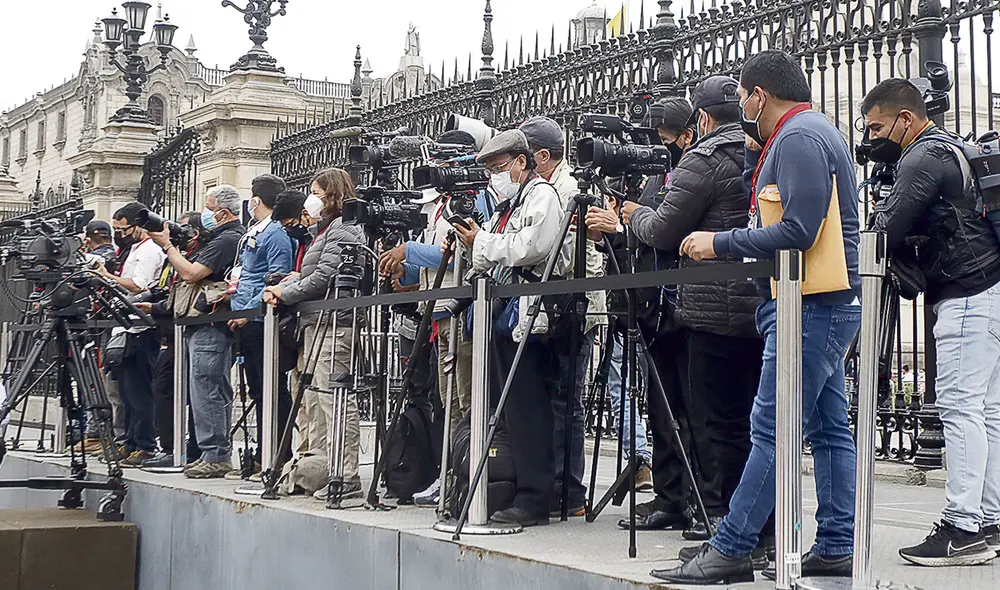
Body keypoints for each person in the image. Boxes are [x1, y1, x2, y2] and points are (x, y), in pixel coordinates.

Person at [653, 50, 862, 584]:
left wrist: (717, 242)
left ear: (758, 96)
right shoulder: (802, 135)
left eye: (743, 95)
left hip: (807, 304)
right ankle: (836, 542)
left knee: (771, 427)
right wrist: (753, 157)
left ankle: (734, 545)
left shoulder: (797, 138)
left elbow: (800, 229)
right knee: (829, 428)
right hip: (820, 302)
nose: (740, 104)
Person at [621, 76, 766, 544]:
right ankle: (751, 523)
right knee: (748, 420)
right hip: (757, 306)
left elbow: (663, 230)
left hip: (710, 310)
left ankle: (721, 519)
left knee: (714, 422)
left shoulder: (702, 160)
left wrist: (630, 216)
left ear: (701, 119)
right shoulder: (757, 151)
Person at [862, 78, 1000, 566]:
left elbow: (886, 229)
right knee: (986, 409)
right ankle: (988, 520)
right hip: (990, 287)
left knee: (962, 409)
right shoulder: (954, 147)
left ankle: (962, 527)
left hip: (966, 292)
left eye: (876, 125)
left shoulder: (921, 157)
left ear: (906, 118)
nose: (871, 135)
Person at [586, 97, 702, 533]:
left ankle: (690, 499)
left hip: (681, 307)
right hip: (652, 309)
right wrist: (610, 238)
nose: (653, 147)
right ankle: (670, 497)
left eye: (661, 138)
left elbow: (668, 235)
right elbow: (640, 246)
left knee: (684, 412)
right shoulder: (655, 179)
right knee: (659, 408)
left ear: (684, 135)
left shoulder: (693, 173)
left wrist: (623, 227)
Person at [453, 129, 572, 527]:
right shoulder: (512, 202)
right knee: (512, 409)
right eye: (490, 170)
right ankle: (518, 487)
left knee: (529, 409)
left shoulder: (542, 196)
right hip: (507, 316)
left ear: (523, 162)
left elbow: (531, 247)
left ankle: (535, 497)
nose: (495, 176)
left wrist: (482, 243)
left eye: (500, 167)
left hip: (530, 319)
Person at [379, 129, 485, 506]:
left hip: (462, 312)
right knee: (447, 400)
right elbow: (431, 263)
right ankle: (450, 471)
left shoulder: (476, 198)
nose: (435, 166)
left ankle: (465, 475)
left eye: (442, 158)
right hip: (437, 314)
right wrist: (400, 268)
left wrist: (409, 249)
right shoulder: (439, 204)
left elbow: (462, 256)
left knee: (465, 400)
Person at [519, 115, 613, 515]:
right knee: (551, 398)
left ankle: (569, 490)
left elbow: (590, 259)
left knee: (567, 403)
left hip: (575, 310)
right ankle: (553, 483)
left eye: (525, 156)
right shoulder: (544, 189)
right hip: (552, 307)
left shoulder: (573, 190)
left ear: (543, 156)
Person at [263, 168, 365, 501]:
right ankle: (325, 470)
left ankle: (346, 474)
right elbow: (315, 274)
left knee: (334, 399)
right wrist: (289, 282)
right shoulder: (327, 229)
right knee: (318, 400)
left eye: (317, 192)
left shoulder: (343, 228)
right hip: (319, 320)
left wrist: (284, 294)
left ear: (332, 194)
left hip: (335, 323)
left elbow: (325, 276)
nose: (312, 199)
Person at [150, 185, 246, 479]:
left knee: (207, 388)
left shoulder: (228, 238)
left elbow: (192, 273)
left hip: (211, 323)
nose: (206, 213)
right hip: (203, 324)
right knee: (206, 388)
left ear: (223, 212)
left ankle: (215, 454)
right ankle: (210, 451)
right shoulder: (219, 238)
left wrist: (168, 246)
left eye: (209, 207)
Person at [228, 174, 295, 478]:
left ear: (256, 199)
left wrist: (251, 309)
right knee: (257, 389)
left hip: (260, 318)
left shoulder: (276, 233)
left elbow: (277, 276)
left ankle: (277, 453)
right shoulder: (254, 230)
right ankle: (261, 453)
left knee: (272, 390)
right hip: (243, 317)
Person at [137, 211, 204, 469]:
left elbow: (185, 295)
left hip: (187, 330)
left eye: (182, 230)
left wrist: (156, 308)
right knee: (164, 387)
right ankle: (172, 446)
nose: (174, 234)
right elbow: (170, 293)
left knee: (184, 391)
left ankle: (183, 449)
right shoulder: (174, 257)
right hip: (171, 332)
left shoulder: (193, 257)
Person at [102, 203, 166, 467]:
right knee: (126, 391)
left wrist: (107, 276)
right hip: (127, 325)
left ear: (137, 225)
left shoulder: (149, 249)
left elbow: (138, 284)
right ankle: (129, 441)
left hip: (142, 326)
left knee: (139, 390)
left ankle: (145, 444)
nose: (120, 233)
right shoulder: (133, 249)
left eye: (123, 228)